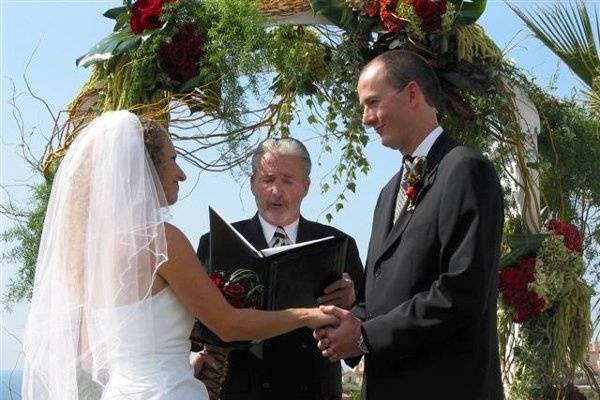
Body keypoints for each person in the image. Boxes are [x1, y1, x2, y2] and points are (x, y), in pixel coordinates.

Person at [21, 111, 337, 400]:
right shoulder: (161, 241)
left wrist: (183, 359)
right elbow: (229, 324)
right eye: (172, 158)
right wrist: (308, 315)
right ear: (145, 168)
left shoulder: (90, 252)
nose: (181, 173)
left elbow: (95, 355)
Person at [314, 50, 505, 399]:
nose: (365, 119)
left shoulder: (465, 169)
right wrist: (342, 322)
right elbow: (379, 299)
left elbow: (463, 292)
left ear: (412, 94)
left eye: (373, 103)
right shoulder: (388, 193)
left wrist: (365, 336)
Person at [193, 138, 364, 400]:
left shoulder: (338, 245)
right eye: (268, 179)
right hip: (243, 390)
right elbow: (195, 321)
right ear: (252, 184)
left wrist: (350, 304)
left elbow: (365, 328)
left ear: (305, 186)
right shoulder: (217, 242)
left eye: (287, 180)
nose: (276, 190)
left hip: (314, 389)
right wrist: (197, 355)